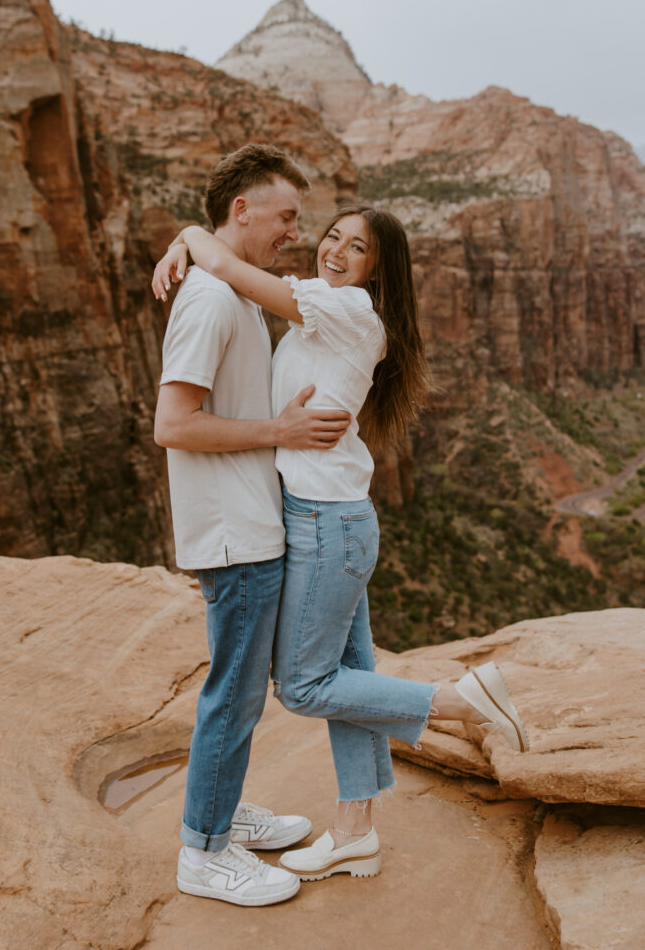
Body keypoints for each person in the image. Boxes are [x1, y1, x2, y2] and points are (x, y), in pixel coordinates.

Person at [154, 201, 529, 885]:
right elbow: (234, 272)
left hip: (327, 527)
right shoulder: (324, 302)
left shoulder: (348, 311)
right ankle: (355, 833)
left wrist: (186, 238)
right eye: (331, 236)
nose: (333, 251)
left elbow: (230, 265)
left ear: (376, 272)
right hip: (321, 517)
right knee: (350, 677)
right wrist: (184, 243)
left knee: (302, 686)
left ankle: (459, 702)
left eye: (355, 248)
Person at [153, 144, 354, 907]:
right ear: (241, 211)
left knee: (240, 689)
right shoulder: (208, 300)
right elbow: (173, 424)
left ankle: (219, 810)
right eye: (285, 217)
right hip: (232, 532)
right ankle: (203, 854)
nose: (294, 234)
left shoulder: (230, 290)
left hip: (250, 523)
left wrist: (186, 237)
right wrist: (279, 431)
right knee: (234, 692)